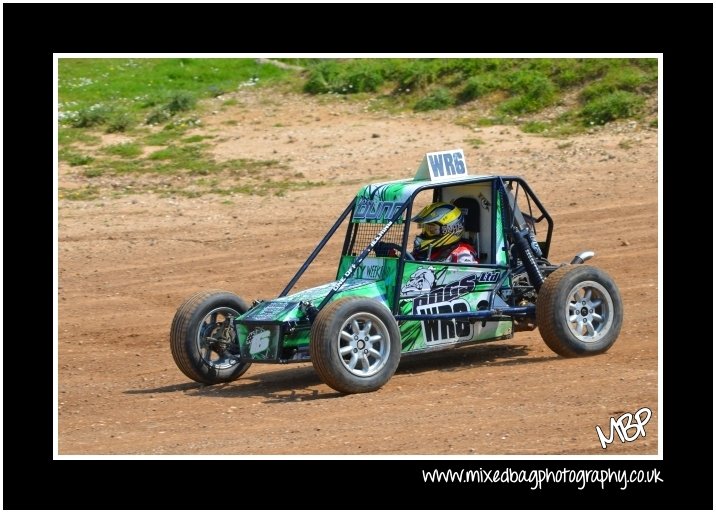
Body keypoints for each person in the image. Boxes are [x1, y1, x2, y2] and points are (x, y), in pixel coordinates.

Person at [410, 202, 478, 263]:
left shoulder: (462, 254)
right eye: (425, 228)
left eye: (432, 230)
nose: (426, 233)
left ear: (451, 229)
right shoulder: (429, 251)